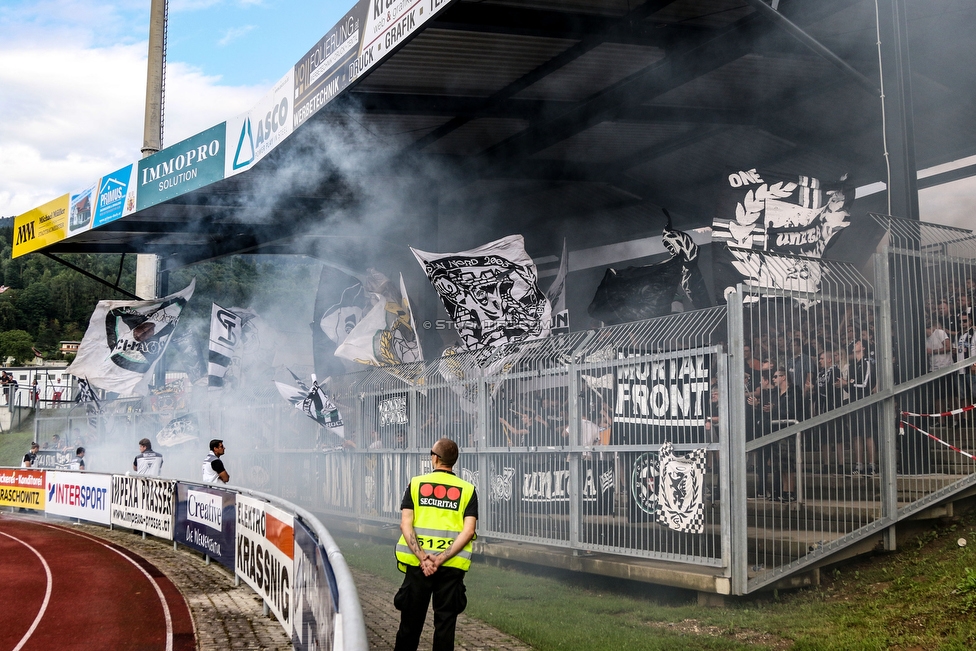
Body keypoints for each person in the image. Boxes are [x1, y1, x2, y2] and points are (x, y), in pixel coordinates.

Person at [393, 438, 477, 651]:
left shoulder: (416, 484)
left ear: (435, 458)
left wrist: (424, 558)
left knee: (410, 625)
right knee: (445, 626)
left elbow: (406, 524)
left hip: (419, 566)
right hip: (450, 567)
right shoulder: (467, 490)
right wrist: (439, 559)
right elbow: (468, 531)